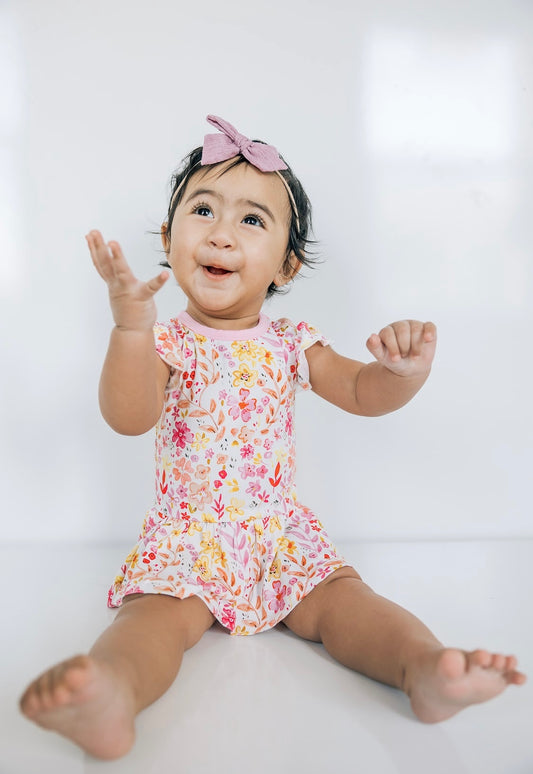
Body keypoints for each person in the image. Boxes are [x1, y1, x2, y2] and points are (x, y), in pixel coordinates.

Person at [19, 115, 526, 760]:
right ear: (171, 238)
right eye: (202, 210)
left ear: (286, 265)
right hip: (189, 537)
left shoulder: (292, 342)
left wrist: (403, 373)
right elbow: (129, 416)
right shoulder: (170, 340)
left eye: (252, 220)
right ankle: (113, 694)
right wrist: (129, 329)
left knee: (349, 605)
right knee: (152, 620)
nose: (222, 232)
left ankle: (422, 668)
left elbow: (363, 392)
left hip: (279, 533)